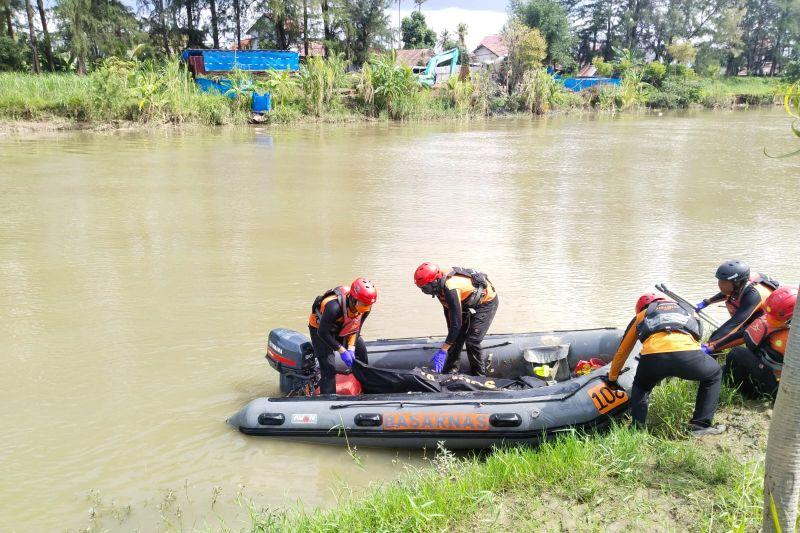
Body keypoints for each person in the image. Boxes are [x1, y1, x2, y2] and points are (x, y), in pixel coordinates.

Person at [606, 292, 725, 436]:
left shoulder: (642, 314)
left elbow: (623, 350)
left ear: (642, 308)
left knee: (641, 387)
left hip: (653, 357)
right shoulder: (686, 309)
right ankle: (700, 425)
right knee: (714, 373)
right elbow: (696, 336)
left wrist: (612, 378)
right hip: (688, 355)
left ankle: (637, 429)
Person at [710, 286, 796, 399]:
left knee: (737, 353)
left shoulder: (791, 338)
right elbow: (745, 334)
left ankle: (748, 393)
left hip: (777, 386)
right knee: (721, 370)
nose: (769, 320)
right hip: (767, 368)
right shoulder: (779, 323)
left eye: (775, 318)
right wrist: (714, 346)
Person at [413, 263, 498, 375]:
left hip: (486, 301)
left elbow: (456, 325)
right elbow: (448, 309)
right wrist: (451, 338)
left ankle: (479, 375)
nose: (423, 291)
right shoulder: (438, 286)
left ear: (434, 282)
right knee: (455, 337)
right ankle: (451, 371)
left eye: (425, 288)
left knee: (472, 341)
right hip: (465, 300)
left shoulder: (450, 288)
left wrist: (444, 349)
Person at [308, 278, 377, 394]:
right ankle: (328, 401)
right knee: (328, 367)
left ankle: (365, 390)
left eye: (369, 305)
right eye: (364, 304)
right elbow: (323, 333)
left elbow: (357, 328)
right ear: (354, 299)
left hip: (343, 326)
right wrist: (342, 351)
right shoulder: (334, 307)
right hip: (321, 330)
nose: (366, 308)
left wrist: (351, 348)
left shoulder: (365, 308)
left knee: (361, 351)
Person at [697, 260, 779, 354]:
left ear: (737, 283)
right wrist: (707, 302)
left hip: (769, 317)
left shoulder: (753, 295)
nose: (720, 285)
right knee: (717, 336)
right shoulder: (740, 283)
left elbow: (735, 323)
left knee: (743, 333)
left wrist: (710, 344)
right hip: (752, 309)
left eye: (724, 282)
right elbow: (728, 292)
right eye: (720, 281)